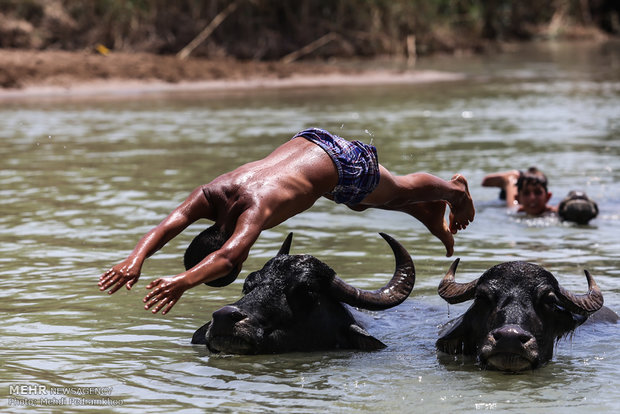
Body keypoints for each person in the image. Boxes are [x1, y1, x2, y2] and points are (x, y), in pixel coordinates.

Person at [98, 127, 475, 315]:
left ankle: (453, 191)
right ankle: (424, 209)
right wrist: (135, 259)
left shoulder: (252, 215)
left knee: (398, 189)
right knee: (359, 201)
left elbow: (227, 259)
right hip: (307, 143)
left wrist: (183, 281)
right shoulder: (212, 195)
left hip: (336, 163)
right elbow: (170, 223)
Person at [481, 167, 556, 216]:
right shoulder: (517, 211)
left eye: (537, 192)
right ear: (518, 198)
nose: (532, 197)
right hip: (516, 206)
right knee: (512, 207)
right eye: (526, 193)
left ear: (548, 197)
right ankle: (510, 180)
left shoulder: (555, 212)